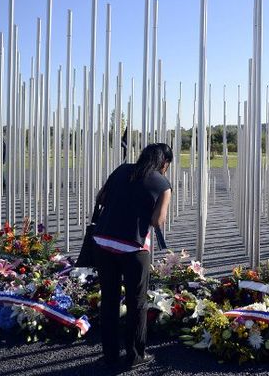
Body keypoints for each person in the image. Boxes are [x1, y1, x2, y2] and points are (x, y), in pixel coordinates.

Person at [93, 143, 173, 370]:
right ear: (164, 163)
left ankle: (109, 354)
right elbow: (157, 221)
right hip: (133, 248)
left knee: (108, 300)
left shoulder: (121, 169)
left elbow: (101, 197)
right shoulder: (163, 184)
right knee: (136, 302)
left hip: (102, 242)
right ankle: (135, 355)